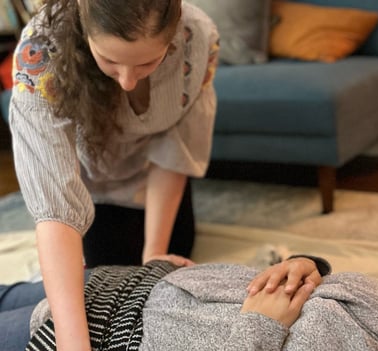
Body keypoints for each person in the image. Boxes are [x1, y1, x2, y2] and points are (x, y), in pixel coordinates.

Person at [8, 1, 320, 350]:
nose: (127, 81)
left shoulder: (197, 36)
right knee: (87, 289)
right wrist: (72, 342)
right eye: (110, 61)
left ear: (172, 38)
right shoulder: (40, 53)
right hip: (84, 186)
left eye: (146, 63)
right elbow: (56, 209)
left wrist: (154, 253)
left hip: (152, 181)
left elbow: (176, 151)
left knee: (164, 271)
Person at [1, 256, 378, 351]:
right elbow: (330, 285)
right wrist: (304, 264)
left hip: (102, 335)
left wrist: (257, 332)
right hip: (141, 284)